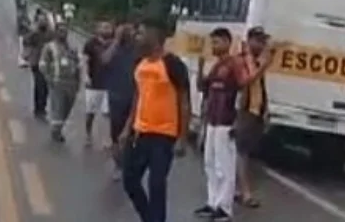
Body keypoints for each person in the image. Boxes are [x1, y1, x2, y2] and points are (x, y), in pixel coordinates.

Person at [119, 20, 190, 222]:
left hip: (164, 136)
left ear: (154, 35)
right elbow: (138, 96)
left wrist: (182, 138)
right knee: (130, 181)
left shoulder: (173, 64)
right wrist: (127, 128)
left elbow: (184, 101)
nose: (137, 37)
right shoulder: (140, 63)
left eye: (141, 33)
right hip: (140, 132)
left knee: (156, 184)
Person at [193, 28, 248, 221]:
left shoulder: (234, 65)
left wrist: (238, 121)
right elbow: (202, 87)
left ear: (227, 42)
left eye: (216, 42)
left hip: (227, 121)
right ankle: (212, 202)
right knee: (209, 163)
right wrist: (200, 66)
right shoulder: (217, 66)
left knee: (224, 166)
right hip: (213, 120)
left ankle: (225, 208)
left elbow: (243, 90)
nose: (213, 47)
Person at [234, 26, 280, 209]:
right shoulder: (242, 61)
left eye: (263, 41)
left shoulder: (255, 62)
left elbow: (260, 88)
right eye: (258, 41)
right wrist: (264, 66)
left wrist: (265, 111)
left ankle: (237, 189)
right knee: (242, 152)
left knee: (245, 152)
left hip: (255, 112)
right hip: (244, 112)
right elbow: (245, 82)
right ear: (249, 40)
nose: (261, 45)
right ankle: (245, 193)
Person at [101, 22, 140, 180]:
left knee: (131, 134)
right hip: (116, 97)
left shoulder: (137, 51)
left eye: (130, 31)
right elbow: (104, 60)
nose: (127, 34)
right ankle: (118, 164)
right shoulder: (113, 47)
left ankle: (127, 165)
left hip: (134, 97)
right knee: (116, 134)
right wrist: (116, 41)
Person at [39, 19, 82, 142]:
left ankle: (58, 127)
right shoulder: (49, 47)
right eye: (60, 31)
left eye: (65, 31)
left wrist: (78, 82)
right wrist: (49, 78)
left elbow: (78, 65)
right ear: (56, 32)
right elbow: (42, 65)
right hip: (57, 83)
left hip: (71, 84)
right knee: (58, 107)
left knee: (67, 109)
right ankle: (56, 132)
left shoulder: (72, 48)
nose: (63, 33)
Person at [83, 21, 114, 147]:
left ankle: (109, 138)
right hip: (94, 83)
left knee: (108, 113)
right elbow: (85, 60)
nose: (107, 29)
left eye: (109, 27)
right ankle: (88, 134)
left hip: (109, 84)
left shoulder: (114, 44)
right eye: (104, 27)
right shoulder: (91, 43)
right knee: (91, 111)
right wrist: (85, 75)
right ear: (98, 29)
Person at [23, 14, 53, 119]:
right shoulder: (34, 34)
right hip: (36, 63)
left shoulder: (50, 34)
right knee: (39, 85)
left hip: (48, 64)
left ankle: (42, 107)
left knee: (45, 87)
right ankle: (38, 108)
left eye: (44, 21)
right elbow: (25, 41)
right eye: (40, 21)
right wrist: (28, 53)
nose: (43, 23)